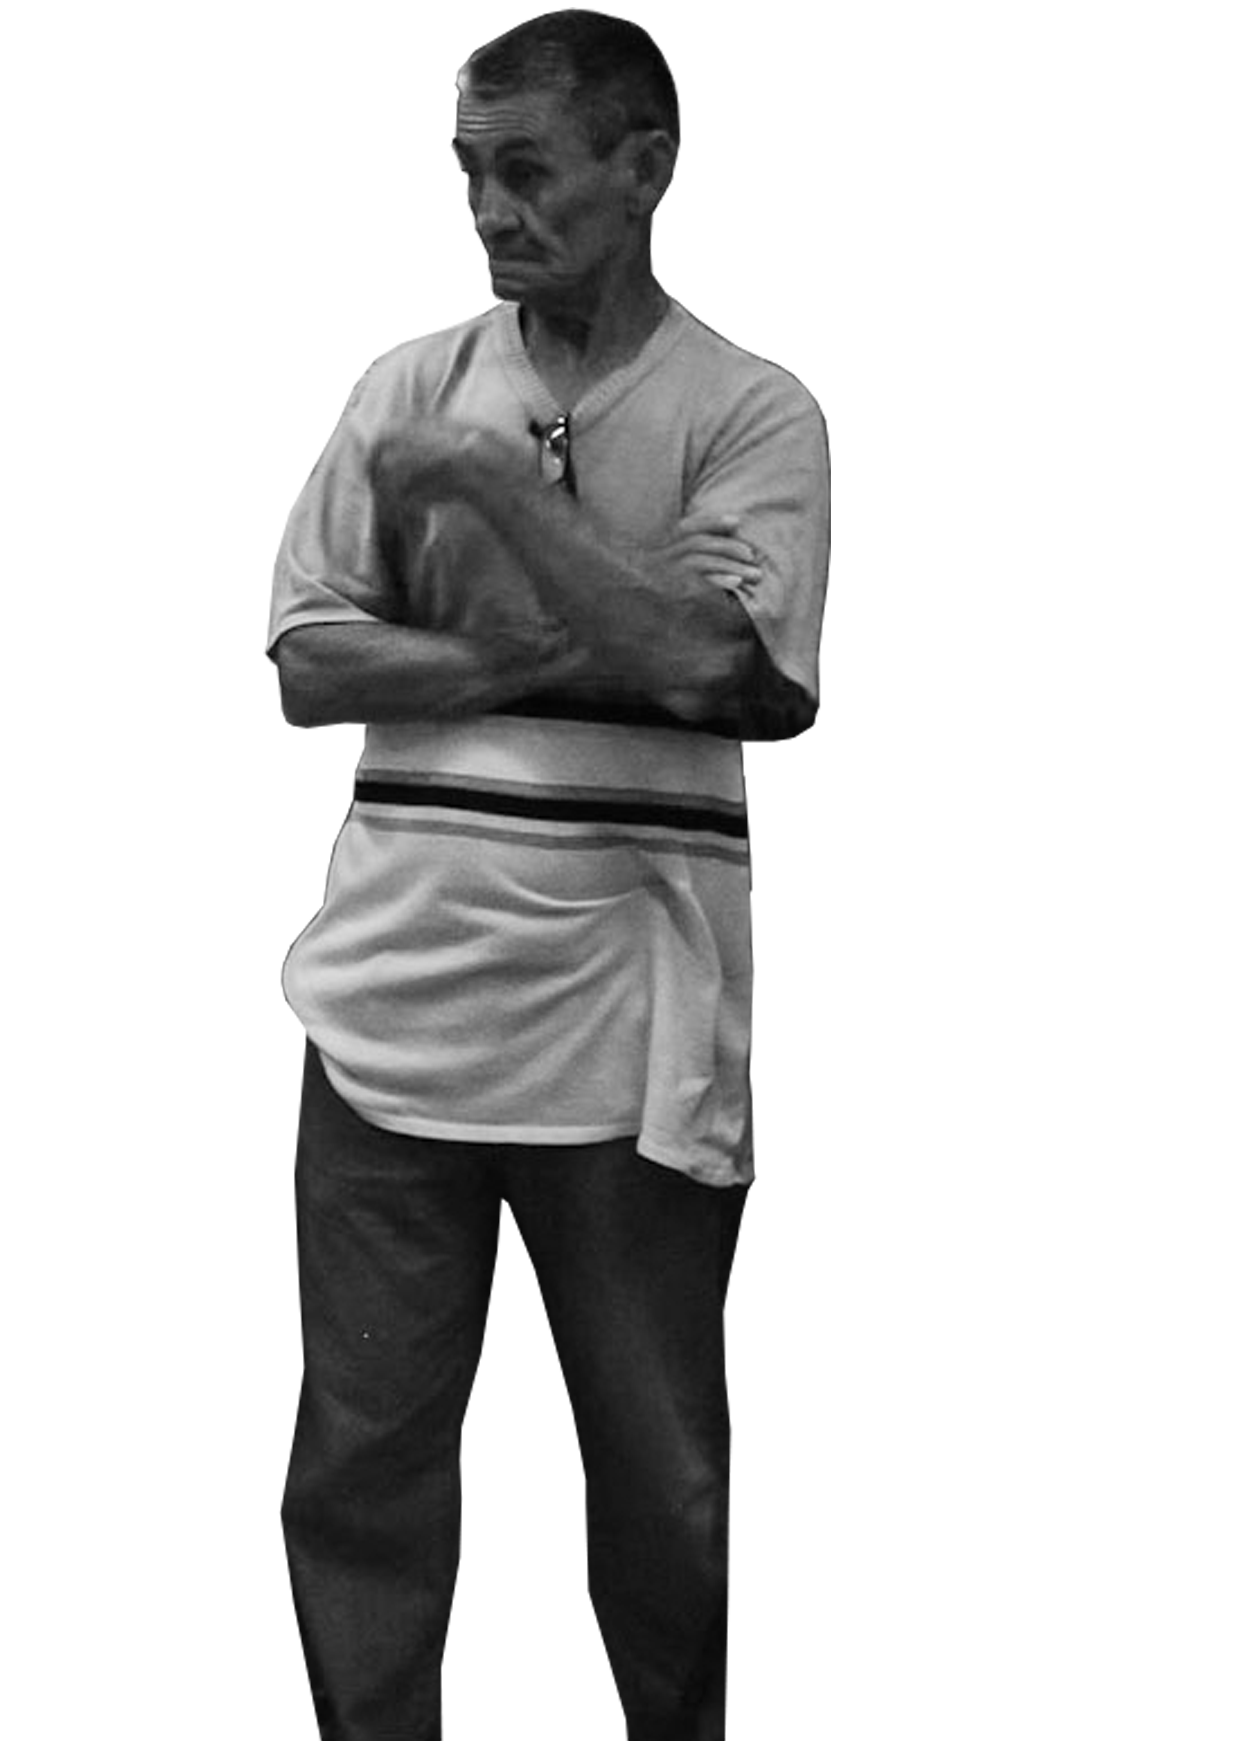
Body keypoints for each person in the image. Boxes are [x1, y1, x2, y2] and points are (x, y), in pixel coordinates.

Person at [270, 11, 828, 1739]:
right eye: (469, 173)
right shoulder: (409, 389)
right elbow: (307, 660)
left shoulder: (753, 412)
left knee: (658, 1465)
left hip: (626, 1031)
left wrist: (493, 501)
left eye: (526, 169)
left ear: (645, 171)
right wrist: (511, 655)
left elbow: (707, 658)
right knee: (362, 1453)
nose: (489, 212)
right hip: (385, 1018)